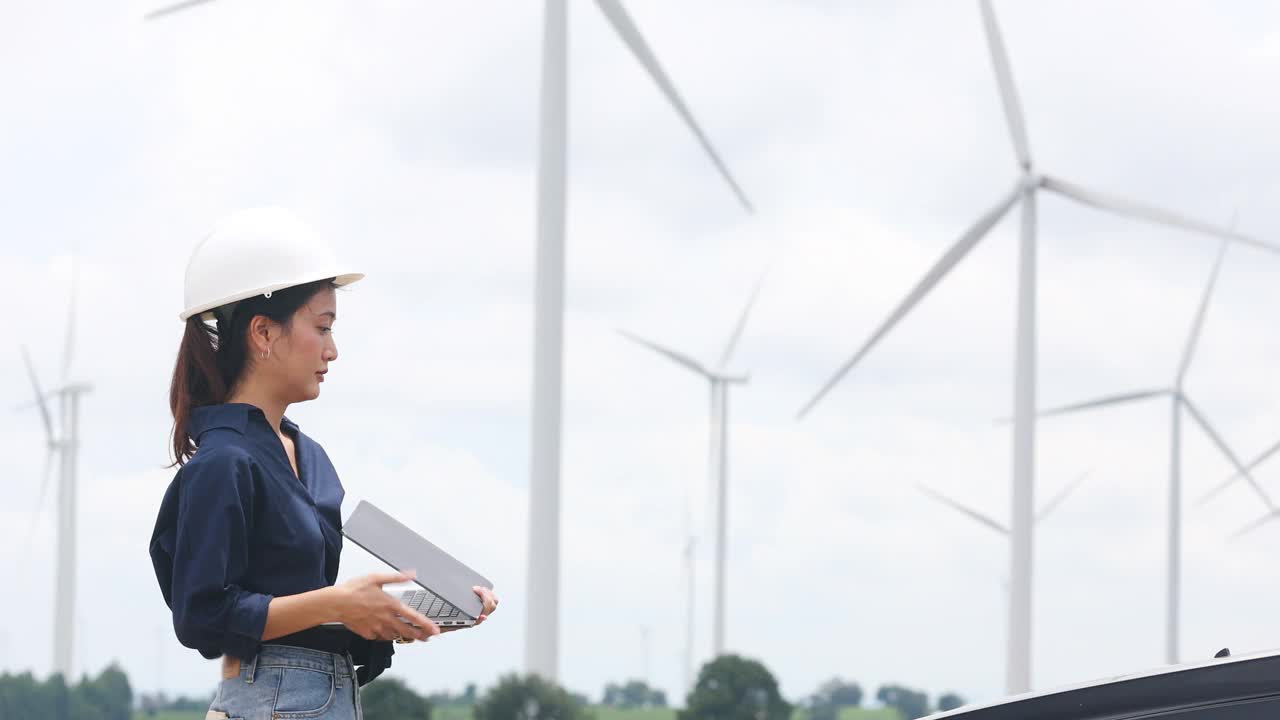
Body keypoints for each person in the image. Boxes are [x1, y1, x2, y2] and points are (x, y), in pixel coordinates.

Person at [148, 207, 498, 719]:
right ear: (264, 334)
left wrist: (380, 618)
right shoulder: (223, 463)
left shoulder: (310, 458)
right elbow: (202, 616)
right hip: (270, 701)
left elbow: (295, 612)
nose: (332, 350)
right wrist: (339, 603)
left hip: (326, 696)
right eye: (322, 326)